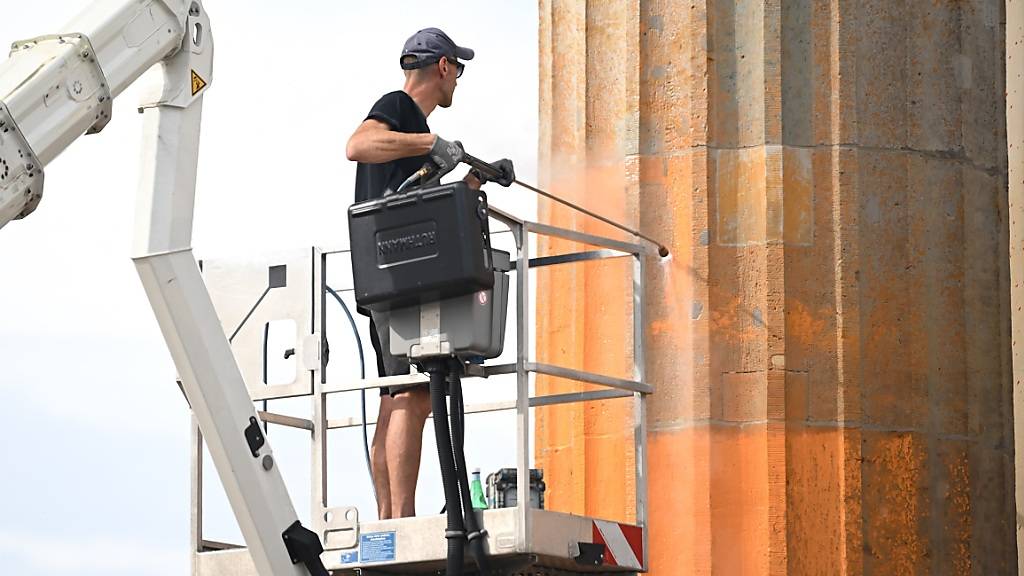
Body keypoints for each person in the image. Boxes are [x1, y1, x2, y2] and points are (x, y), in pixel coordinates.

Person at [345, 27, 514, 520]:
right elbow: (357, 146)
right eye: (457, 70)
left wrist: (473, 180)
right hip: (399, 276)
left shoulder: (412, 139)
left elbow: (416, 196)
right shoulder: (398, 109)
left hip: (392, 274)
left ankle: (388, 517)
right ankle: (399, 521)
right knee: (413, 397)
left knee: (394, 396)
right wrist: (430, 140)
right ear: (442, 67)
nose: (458, 80)